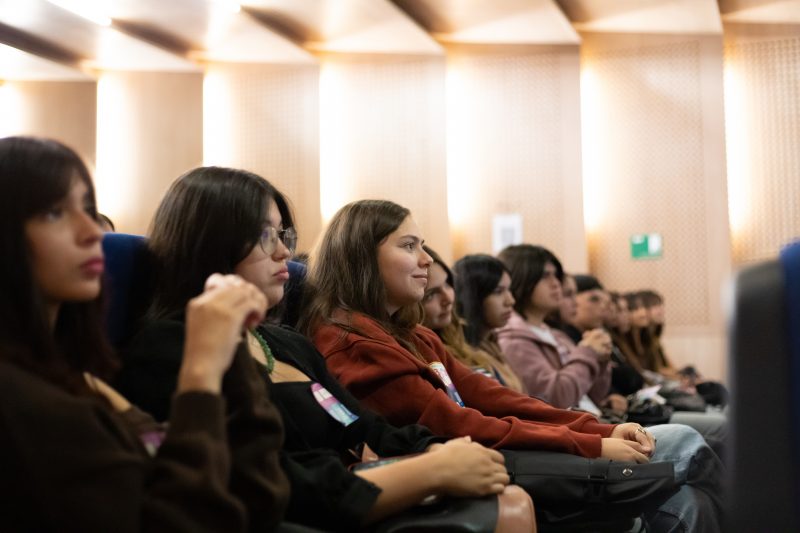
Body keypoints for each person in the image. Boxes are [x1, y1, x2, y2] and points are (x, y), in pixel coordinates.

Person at [117, 167, 514, 532]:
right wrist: (433, 470)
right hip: (308, 513)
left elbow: (367, 427)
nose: (284, 252)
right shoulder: (170, 348)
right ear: (211, 244)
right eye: (265, 236)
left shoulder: (285, 341)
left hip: (347, 492)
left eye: (283, 236)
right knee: (507, 508)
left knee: (506, 494)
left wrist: (439, 449)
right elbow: (270, 484)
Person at [305, 199, 724, 532]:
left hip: (517, 456)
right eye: (409, 245)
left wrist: (600, 430)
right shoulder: (353, 346)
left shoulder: (414, 335)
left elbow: (500, 399)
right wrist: (591, 442)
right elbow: (459, 425)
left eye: (423, 245)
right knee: (687, 441)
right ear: (361, 258)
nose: (427, 259)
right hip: (479, 473)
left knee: (690, 496)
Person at [0, 136, 289, 532]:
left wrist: (232, 346)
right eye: (54, 213)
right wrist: (201, 371)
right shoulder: (17, 398)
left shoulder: (80, 381)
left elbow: (256, 500)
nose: (91, 231)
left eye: (88, 209)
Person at [495, 245, 622, 415]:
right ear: (521, 279)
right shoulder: (513, 339)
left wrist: (600, 360)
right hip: (572, 428)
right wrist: (588, 352)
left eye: (555, 275)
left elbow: (594, 395)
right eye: (545, 276)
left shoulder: (556, 335)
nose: (556, 283)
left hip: (592, 421)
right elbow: (556, 399)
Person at [421, 247, 524, 392]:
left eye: (447, 284)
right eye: (431, 294)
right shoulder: (440, 354)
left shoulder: (482, 344)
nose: (448, 298)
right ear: (473, 297)